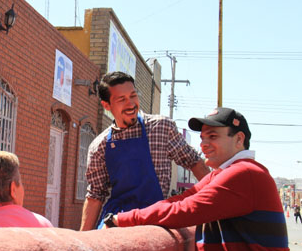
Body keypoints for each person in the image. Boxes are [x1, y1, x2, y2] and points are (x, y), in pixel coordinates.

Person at [102, 107, 301, 251]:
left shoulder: (245, 173)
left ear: (239, 139)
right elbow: (179, 200)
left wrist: (121, 219)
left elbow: (185, 210)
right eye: (202, 138)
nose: (204, 144)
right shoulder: (220, 174)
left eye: (213, 137)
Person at [80, 71, 210, 230]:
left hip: (156, 219)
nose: (131, 104)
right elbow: (95, 196)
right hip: (116, 223)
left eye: (133, 96)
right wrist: (83, 240)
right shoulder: (99, 146)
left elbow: (194, 161)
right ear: (106, 105)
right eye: (121, 99)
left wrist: (214, 204)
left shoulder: (161, 128)